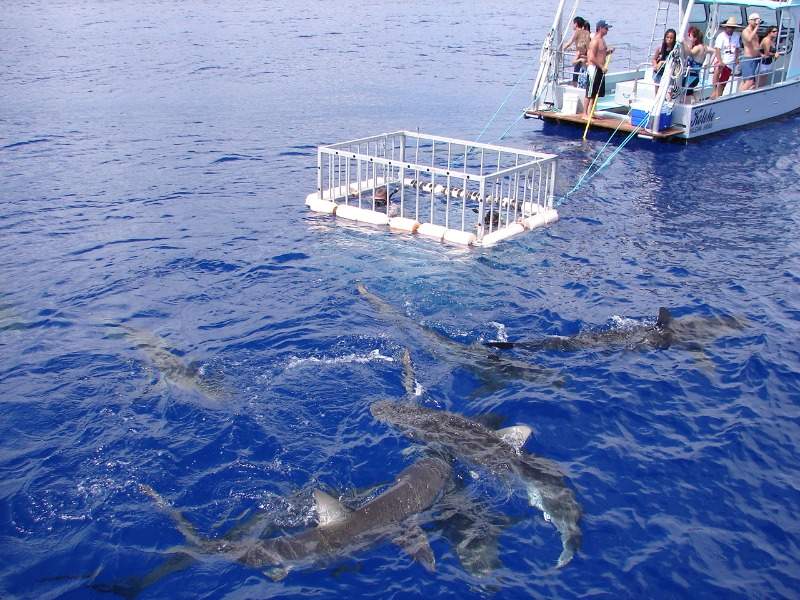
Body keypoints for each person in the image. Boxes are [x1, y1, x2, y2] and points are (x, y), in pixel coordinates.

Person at [681, 27, 722, 103]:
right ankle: (695, 101)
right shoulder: (704, 47)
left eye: (690, 36)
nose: (689, 38)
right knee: (688, 91)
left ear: (695, 38)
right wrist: (709, 63)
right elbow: (714, 51)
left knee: (687, 93)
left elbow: (689, 53)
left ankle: (689, 105)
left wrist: (683, 43)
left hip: (692, 76)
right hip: (693, 76)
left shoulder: (697, 48)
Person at [584, 20, 614, 117]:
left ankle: (591, 112)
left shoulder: (602, 40)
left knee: (595, 93)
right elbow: (591, 57)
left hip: (600, 69)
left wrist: (608, 52)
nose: (607, 30)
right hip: (594, 68)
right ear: (600, 28)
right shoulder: (595, 41)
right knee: (590, 92)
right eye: (606, 28)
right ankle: (585, 113)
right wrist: (601, 67)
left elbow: (601, 53)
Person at [711, 16, 741, 99]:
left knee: (723, 83)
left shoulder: (736, 36)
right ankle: (714, 92)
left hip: (730, 62)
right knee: (717, 70)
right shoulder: (721, 36)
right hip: (721, 61)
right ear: (726, 27)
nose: (730, 29)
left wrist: (737, 58)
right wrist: (720, 61)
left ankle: (717, 96)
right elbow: (717, 49)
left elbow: (737, 48)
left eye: (732, 27)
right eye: (729, 27)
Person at [562, 17, 591, 87]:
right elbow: (587, 46)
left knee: (575, 75)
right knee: (584, 74)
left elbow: (570, 42)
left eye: (573, 24)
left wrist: (562, 49)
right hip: (586, 55)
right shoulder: (587, 33)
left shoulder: (577, 32)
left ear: (576, 24)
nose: (572, 26)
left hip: (579, 56)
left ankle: (575, 87)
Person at [740, 13, 762, 91]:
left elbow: (756, 45)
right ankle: (738, 97)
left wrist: (761, 54)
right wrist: (757, 27)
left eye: (758, 20)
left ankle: (741, 94)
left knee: (749, 82)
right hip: (748, 59)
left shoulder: (754, 32)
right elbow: (749, 39)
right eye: (755, 20)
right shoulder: (745, 31)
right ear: (750, 21)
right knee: (749, 81)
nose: (757, 22)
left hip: (755, 59)